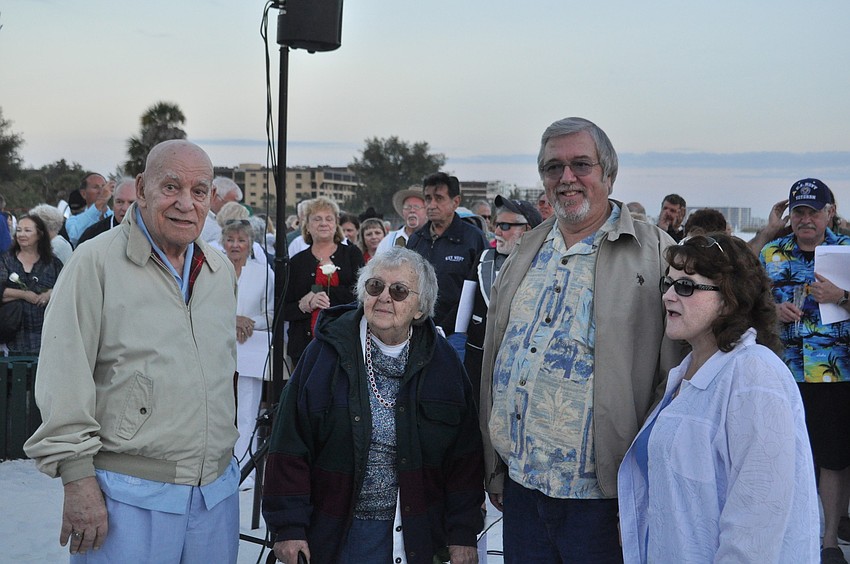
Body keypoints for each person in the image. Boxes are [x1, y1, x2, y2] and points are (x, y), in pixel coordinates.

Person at [24, 140, 241, 562]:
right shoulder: (94, 263)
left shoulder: (218, 272)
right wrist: (77, 479)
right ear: (141, 189)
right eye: (171, 187)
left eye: (199, 191)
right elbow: (62, 374)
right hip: (126, 494)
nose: (185, 203)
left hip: (215, 497)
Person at [479, 117, 684, 562]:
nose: (566, 178)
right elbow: (496, 358)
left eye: (581, 165)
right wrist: (494, 468)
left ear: (608, 174)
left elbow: (676, 376)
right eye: (554, 167)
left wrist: (646, 485)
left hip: (602, 500)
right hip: (522, 486)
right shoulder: (525, 251)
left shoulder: (655, 252)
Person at [263, 247, 484, 564]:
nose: (384, 297)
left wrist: (463, 533)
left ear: (420, 309)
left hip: (418, 534)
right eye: (375, 286)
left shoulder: (443, 363)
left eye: (399, 291)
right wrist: (289, 527)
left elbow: (464, 458)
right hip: (340, 531)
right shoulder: (324, 354)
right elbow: (289, 443)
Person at [618, 233, 819, 563]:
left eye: (686, 286)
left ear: (729, 299)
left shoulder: (754, 375)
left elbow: (756, 526)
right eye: (667, 284)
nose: (668, 296)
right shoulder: (687, 371)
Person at [759, 178, 850, 564]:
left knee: (834, 457)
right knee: (787, 455)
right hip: (784, 371)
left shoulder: (846, 252)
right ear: (789, 214)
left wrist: (841, 297)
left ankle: (828, 541)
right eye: (799, 211)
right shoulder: (771, 253)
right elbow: (740, 299)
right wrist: (772, 312)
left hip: (837, 372)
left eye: (814, 210)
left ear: (830, 212)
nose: (806, 219)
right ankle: (792, 534)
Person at [455, 195, 541, 400]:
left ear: (527, 229)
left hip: (520, 363)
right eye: (496, 224)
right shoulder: (484, 258)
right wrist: (457, 338)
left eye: (505, 225)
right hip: (477, 357)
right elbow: (466, 302)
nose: (497, 231)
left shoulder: (543, 266)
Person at [221, 219, 274, 488]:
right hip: (216, 346)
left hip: (250, 346)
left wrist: (249, 322)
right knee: (219, 406)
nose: (235, 245)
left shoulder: (264, 272)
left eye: (241, 240)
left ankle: (244, 467)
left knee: (247, 407)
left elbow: (272, 313)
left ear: (250, 244)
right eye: (230, 239)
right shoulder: (212, 268)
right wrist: (232, 318)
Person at [283, 197, 364, 368]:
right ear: (307, 225)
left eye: (329, 218)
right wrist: (304, 304)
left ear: (336, 224)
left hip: (344, 343)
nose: (323, 223)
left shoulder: (351, 254)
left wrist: (321, 294)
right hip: (303, 347)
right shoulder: (296, 262)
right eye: (317, 219)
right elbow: (283, 308)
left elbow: (361, 295)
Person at [406, 172, 487, 336]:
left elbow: (481, 291)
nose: (431, 205)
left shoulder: (474, 239)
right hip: (418, 330)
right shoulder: (416, 239)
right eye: (428, 198)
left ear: (455, 202)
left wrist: (448, 327)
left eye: (439, 198)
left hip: (459, 334)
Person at [0, 214, 63, 354]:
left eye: (27, 230)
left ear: (39, 234)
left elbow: (66, 289)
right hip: (11, 339)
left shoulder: (53, 263)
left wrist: (50, 293)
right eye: (19, 230)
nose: (22, 234)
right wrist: (24, 295)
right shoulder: (5, 260)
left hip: (45, 338)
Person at [76, 177, 137, 246]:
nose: (125, 208)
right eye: (119, 202)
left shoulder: (149, 232)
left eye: (131, 203)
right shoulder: (93, 235)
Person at [65, 172, 113, 246]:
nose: (101, 191)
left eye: (103, 186)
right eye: (96, 187)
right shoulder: (73, 221)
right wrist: (100, 202)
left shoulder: (116, 217)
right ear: (83, 194)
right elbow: (75, 236)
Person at [376, 189, 427, 254]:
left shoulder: (432, 240)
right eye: (407, 207)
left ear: (426, 212)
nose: (412, 210)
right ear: (403, 212)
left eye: (416, 207)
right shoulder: (389, 240)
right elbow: (378, 263)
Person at [201, 176, 243, 244]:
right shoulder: (201, 221)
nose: (233, 209)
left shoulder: (238, 222)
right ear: (214, 196)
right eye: (229, 204)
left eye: (236, 205)